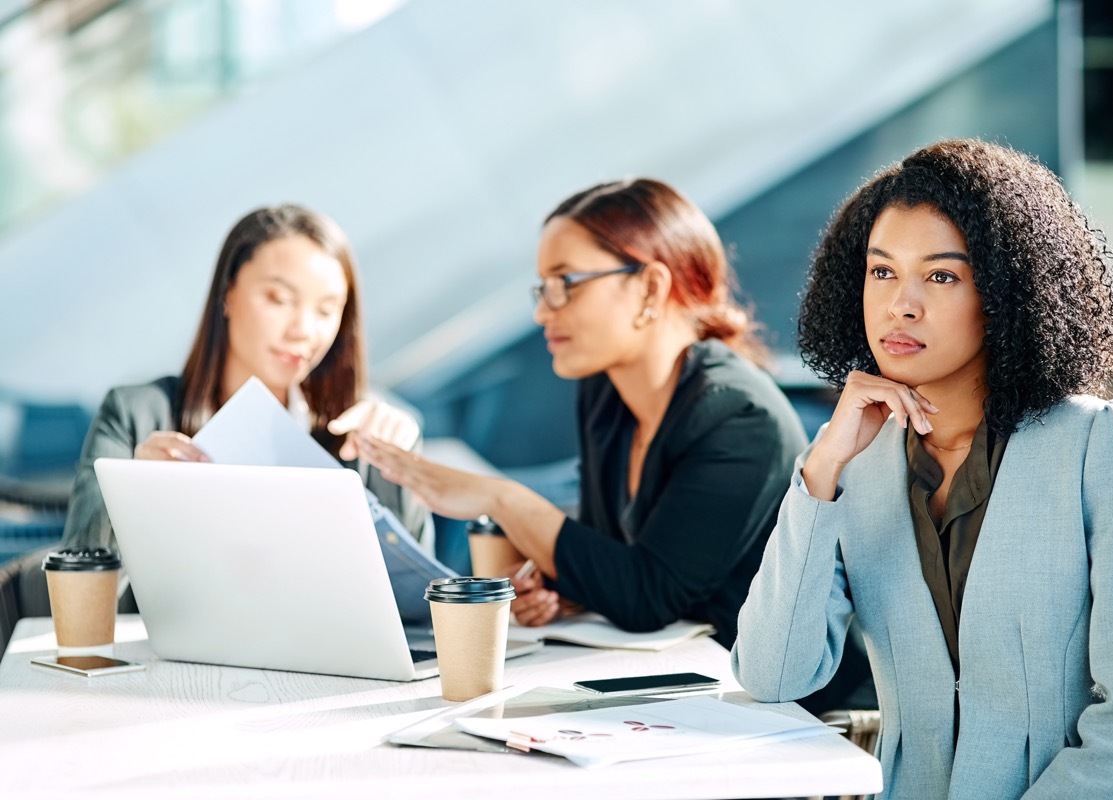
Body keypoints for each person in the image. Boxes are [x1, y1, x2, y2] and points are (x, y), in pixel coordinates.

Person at [731, 139, 1113, 798]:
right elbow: (775, 674)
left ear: (1006, 293)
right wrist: (824, 467)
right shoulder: (852, 462)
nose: (902, 304)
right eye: (882, 272)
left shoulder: (1099, 443)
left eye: (942, 276)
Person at [350, 178, 806, 653]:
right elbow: (612, 556)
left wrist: (501, 498)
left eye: (565, 284)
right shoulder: (606, 390)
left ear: (651, 287)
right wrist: (562, 591)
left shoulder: (740, 416)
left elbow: (649, 597)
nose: (543, 313)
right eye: (541, 289)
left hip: (774, 704)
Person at [62, 204, 431, 563]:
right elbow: (78, 581)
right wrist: (134, 500)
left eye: (325, 310)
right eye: (279, 299)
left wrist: (399, 471)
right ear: (228, 294)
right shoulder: (135, 415)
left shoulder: (362, 430)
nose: (303, 330)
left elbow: (419, 604)